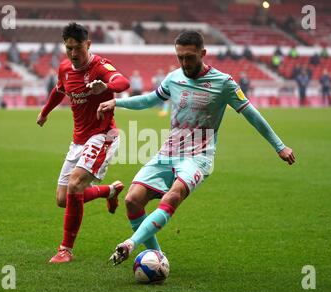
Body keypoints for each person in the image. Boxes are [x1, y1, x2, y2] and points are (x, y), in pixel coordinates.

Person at [97, 31, 295, 266]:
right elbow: (150, 100)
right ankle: (157, 259)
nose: (184, 63)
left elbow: (252, 115)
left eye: (189, 57)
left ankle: (130, 244)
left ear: (203, 54)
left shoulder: (224, 83)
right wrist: (116, 102)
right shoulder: (174, 78)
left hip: (198, 156)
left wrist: (279, 146)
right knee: (132, 200)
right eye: (179, 57)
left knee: (174, 195)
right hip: (167, 153)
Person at [36, 22, 130, 263]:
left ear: (88, 44)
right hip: (78, 140)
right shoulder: (65, 68)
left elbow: (123, 82)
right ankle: (109, 191)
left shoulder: (100, 66)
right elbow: (59, 90)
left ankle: (65, 249)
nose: (74, 54)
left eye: (78, 48)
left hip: (103, 135)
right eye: (69, 48)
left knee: (76, 184)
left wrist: (106, 86)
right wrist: (45, 112)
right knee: (62, 199)